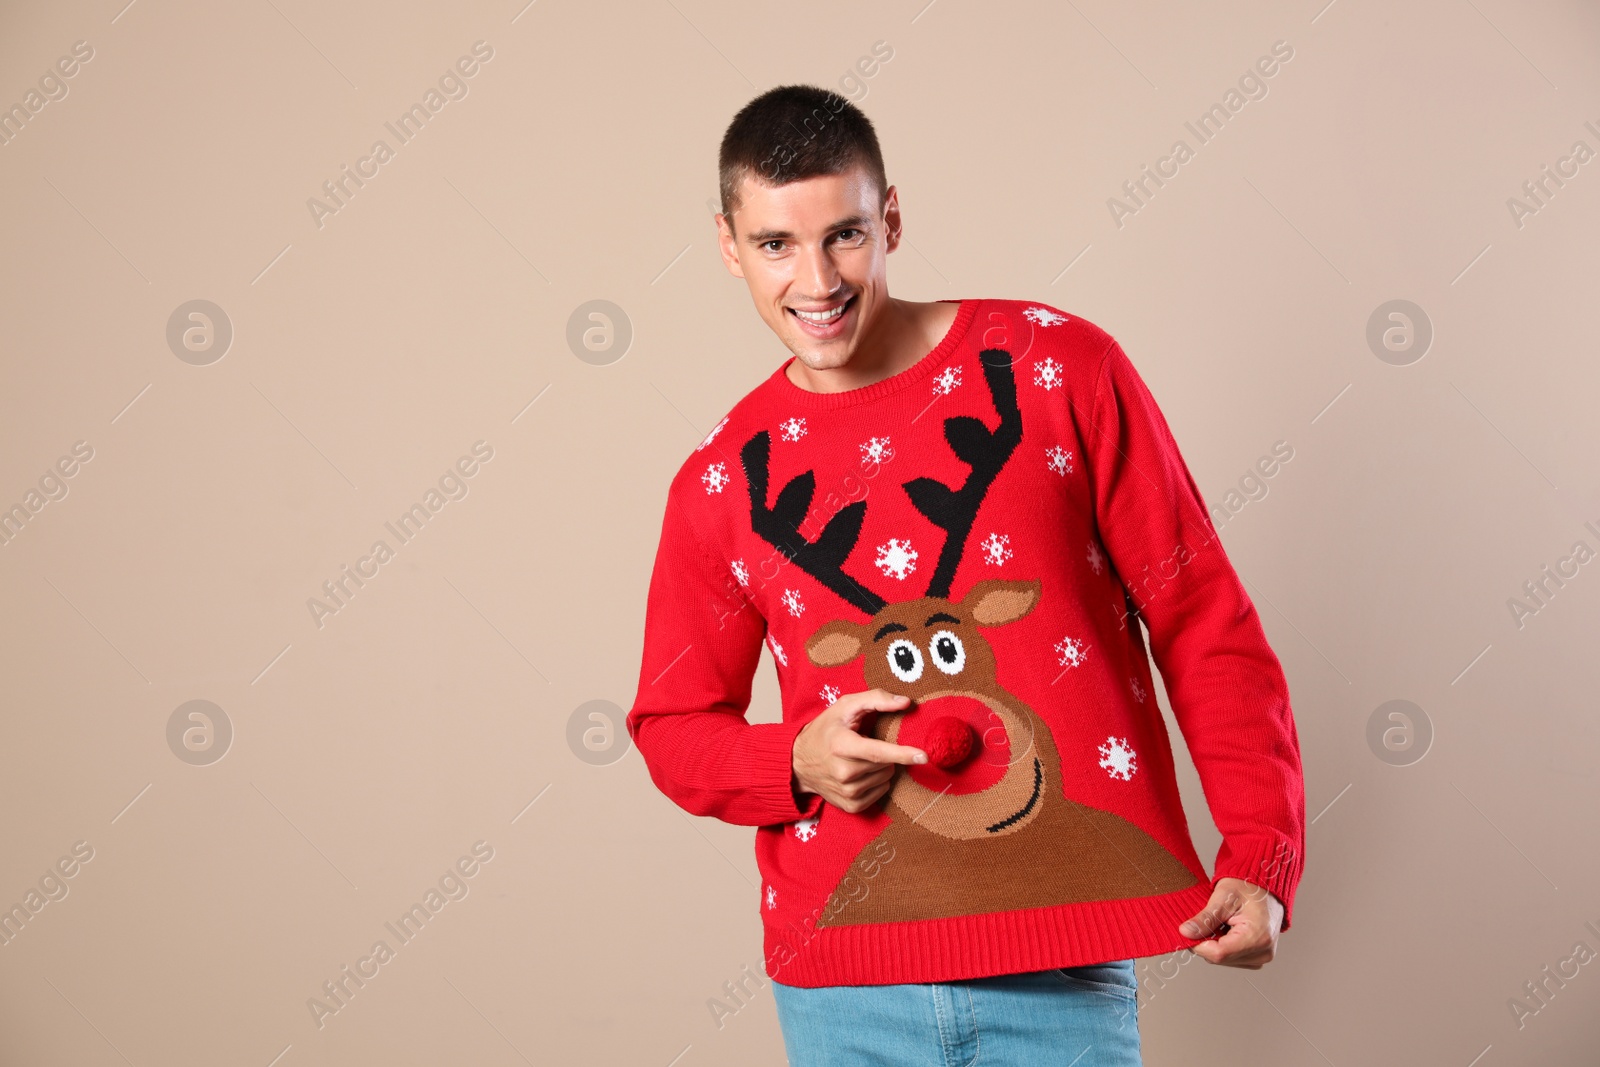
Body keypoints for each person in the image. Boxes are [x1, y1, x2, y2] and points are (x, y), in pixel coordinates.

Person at [625, 83, 1306, 1066]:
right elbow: (671, 724)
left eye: (844, 235)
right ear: (730, 245)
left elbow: (1201, 618)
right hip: (840, 991)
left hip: (1064, 969)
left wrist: (1261, 853)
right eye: (776, 244)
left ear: (890, 216)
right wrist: (791, 763)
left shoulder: (1058, 368)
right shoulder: (721, 480)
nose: (815, 279)